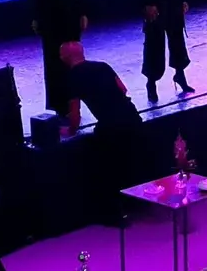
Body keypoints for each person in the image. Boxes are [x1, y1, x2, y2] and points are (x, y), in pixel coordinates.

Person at [62, 41, 145, 217]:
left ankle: (112, 212)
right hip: (132, 116)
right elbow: (123, 89)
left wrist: (70, 130)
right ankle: (140, 204)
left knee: (107, 168)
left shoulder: (72, 77)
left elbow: (75, 115)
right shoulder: (103, 66)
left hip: (111, 125)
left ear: (65, 58)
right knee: (134, 161)